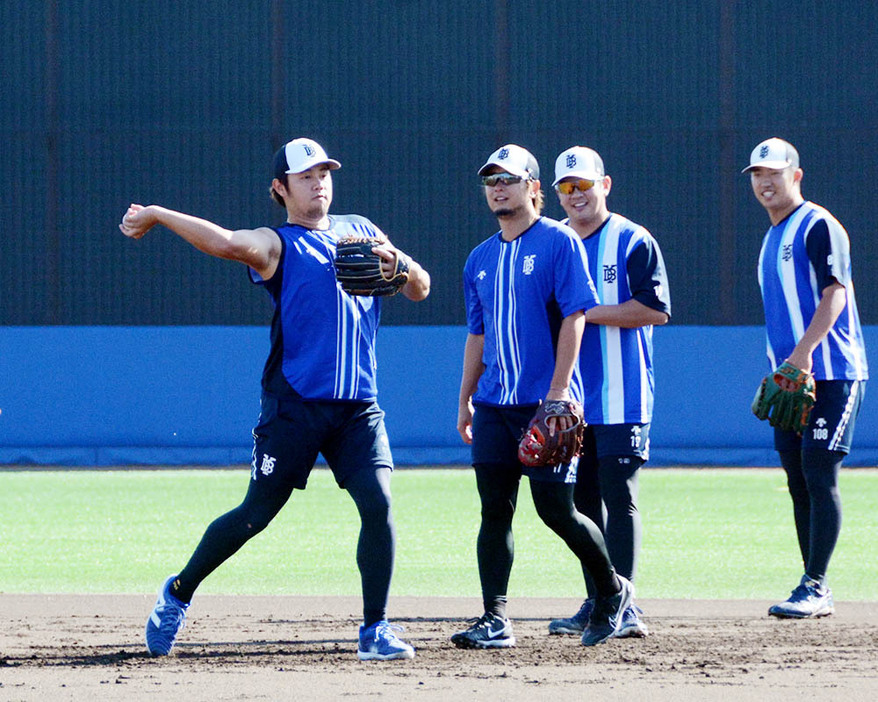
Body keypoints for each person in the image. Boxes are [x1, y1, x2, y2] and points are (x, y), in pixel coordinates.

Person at [118, 137, 430, 660]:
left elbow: (421, 286)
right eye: (306, 175)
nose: (319, 181)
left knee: (378, 505)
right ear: (280, 188)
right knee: (255, 514)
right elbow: (224, 243)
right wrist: (157, 213)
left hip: (358, 406)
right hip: (294, 405)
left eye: (324, 172)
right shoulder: (277, 244)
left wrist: (398, 264)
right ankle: (177, 593)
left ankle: (375, 629)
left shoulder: (364, 231)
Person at [453, 144, 633, 649]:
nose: (498, 187)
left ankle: (611, 591)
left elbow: (577, 315)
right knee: (494, 510)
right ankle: (494, 618)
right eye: (491, 180)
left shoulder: (558, 242)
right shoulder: (479, 258)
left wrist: (558, 393)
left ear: (534, 188)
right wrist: (464, 398)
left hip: (544, 404)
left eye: (508, 179)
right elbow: (477, 335)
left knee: (557, 510)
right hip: (493, 404)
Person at [546, 146, 671, 639]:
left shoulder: (632, 239)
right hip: (573, 397)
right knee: (581, 503)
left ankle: (627, 604)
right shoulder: (554, 244)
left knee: (620, 498)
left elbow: (655, 309)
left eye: (584, 185)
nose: (576, 195)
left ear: (606, 184)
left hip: (623, 392)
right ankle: (601, 596)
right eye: (567, 187)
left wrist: (584, 311)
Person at [743, 137, 868, 618]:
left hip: (831, 373)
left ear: (796, 175)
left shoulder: (819, 224)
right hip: (792, 376)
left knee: (818, 473)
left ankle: (815, 584)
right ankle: (812, 583)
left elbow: (836, 293)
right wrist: (786, 364)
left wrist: (802, 354)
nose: (764, 181)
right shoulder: (772, 235)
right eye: (757, 174)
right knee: (798, 479)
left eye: (774, 172)